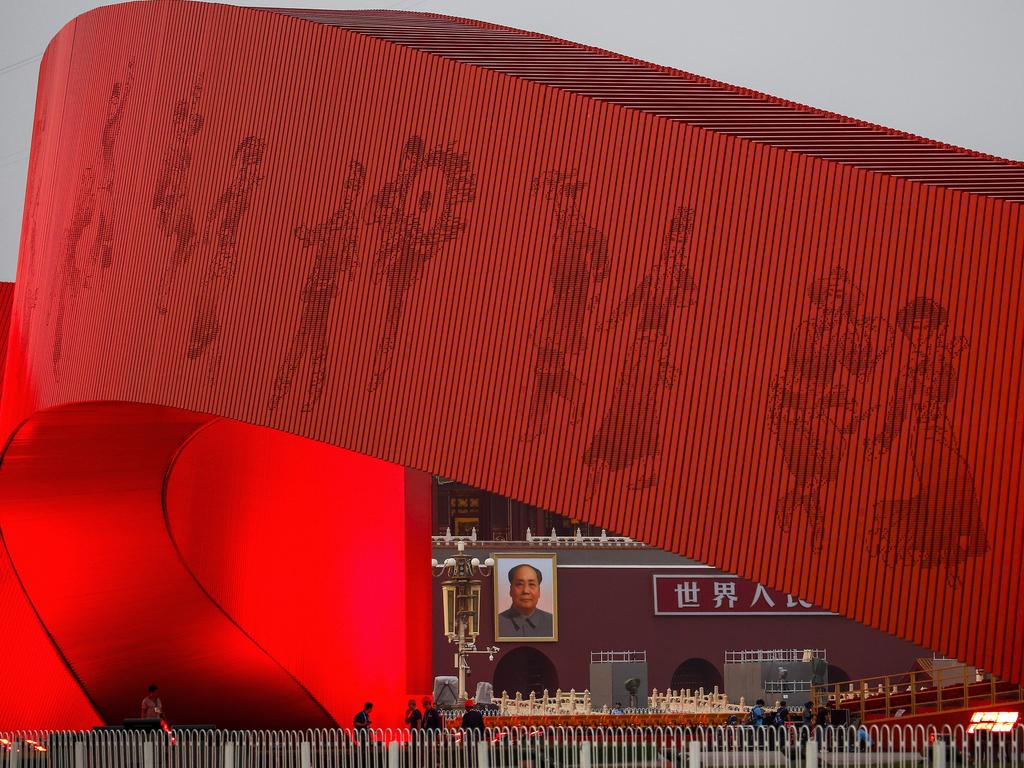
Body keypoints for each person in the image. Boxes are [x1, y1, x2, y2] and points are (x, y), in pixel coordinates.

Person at [497, 563, 554, 637]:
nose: (526, 591)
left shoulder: (552, 623)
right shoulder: (497, 623)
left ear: (539, 591)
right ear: (510, 590)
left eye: (531, 584)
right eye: (519, 584)